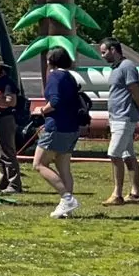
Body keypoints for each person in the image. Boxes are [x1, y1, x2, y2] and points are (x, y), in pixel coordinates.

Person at [31, 48, 84, 218]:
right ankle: (66, 207)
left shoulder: (54, 76)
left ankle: (67, 198)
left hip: (56, 127)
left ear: (50, 61)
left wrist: (41, 110)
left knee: (38, 164)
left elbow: (55, 101)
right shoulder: (69, 77)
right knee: (64, 167)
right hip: (72, 128)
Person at [100, 38, 139, 205]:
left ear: (114, 50)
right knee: (128, 155)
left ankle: (117, 194)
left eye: (104, 52)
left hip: (125, 117)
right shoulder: (116, 68)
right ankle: (135, 194)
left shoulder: (127, 67)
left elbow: (135, 90)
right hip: (117, 117)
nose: (102, 56)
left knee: (114, 154)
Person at [0, 55, 26, 193]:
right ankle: (3, 180)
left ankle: (14, 184)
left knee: (7, 151)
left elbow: (11, 102)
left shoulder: (7, 83)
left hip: (6, 119)